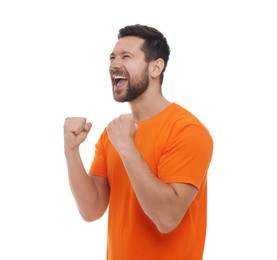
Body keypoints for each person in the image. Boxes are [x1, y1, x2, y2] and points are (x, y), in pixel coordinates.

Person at [64, 24, 213, 260]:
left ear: (156, 67)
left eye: (126, 56)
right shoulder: (113, 134)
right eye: (112, 57)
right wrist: (71, 152)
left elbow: (167, 218)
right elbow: (91, 210)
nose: (114, 64)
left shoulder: (187, 130)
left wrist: (126, 147)